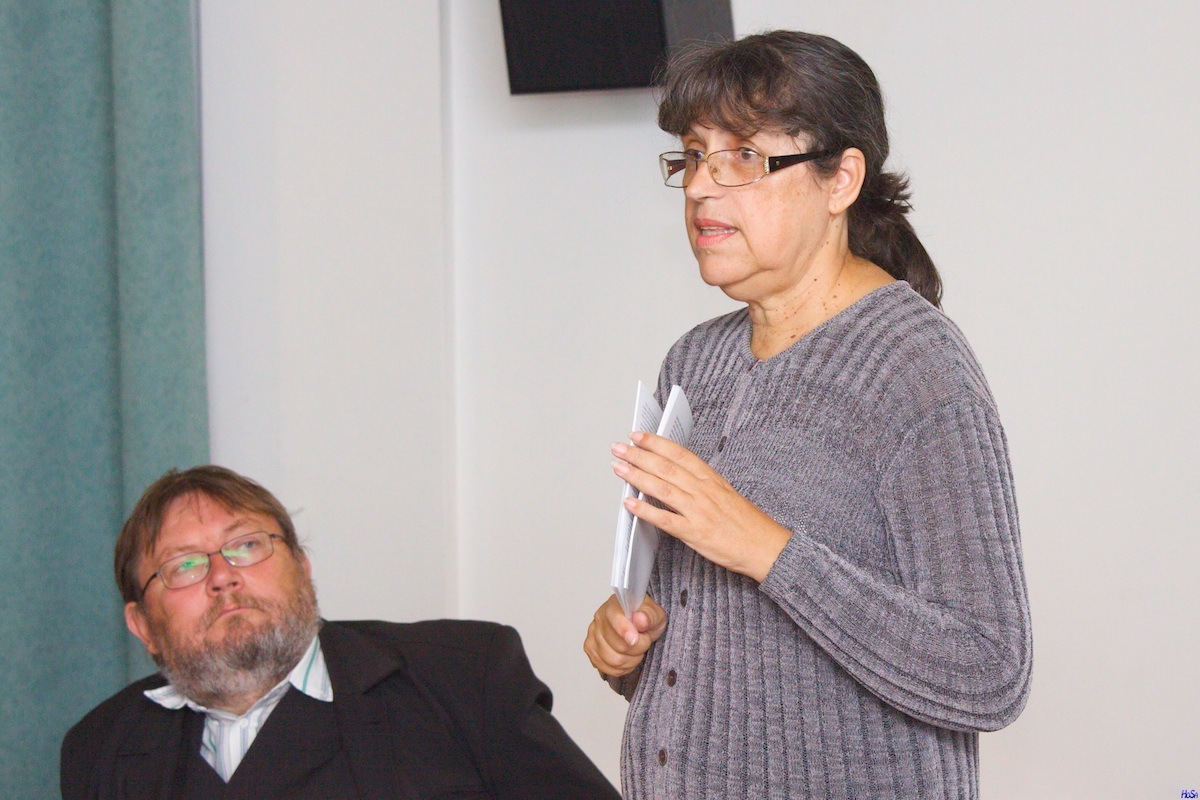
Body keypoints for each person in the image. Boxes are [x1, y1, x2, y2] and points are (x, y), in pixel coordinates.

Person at [583, 30, 1032, 800]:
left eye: (743, 157)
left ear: (840, 180)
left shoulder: (915, 367)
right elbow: (737, 654)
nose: (700, 187)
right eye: (693, 156)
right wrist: (631, 642)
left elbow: (991, 671)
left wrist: (765, 548)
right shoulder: (694, 361)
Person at [63, 465, 619, 800]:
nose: (223, 576)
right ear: (142, 625)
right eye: (184, 565)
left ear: (302, 567)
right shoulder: (102, 747)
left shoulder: (462, 674)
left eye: (247, 545)